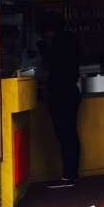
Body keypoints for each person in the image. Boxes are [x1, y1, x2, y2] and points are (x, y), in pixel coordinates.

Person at [38, 13, 82, 188]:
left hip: (60, 93)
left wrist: (43, 48)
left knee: (64, 134)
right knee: (70, 133)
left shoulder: (55, 44)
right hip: (71, 91)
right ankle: (72, 173)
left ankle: (69, 174)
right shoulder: (72, 40)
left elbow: (51, 64)